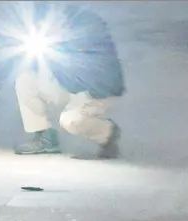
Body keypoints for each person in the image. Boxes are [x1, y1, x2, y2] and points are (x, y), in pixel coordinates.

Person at [13, 3, 125, 159]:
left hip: (96, 89)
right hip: (69, 83)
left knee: (71, 121)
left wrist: (63, 45)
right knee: (26, 81)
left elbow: (91, 55)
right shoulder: (46, 21)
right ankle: (44, 138)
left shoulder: (86, 24)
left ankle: (108, 133)